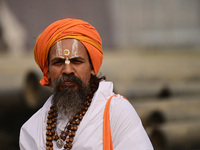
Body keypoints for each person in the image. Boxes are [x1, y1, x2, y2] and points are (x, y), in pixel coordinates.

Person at [19, 18, 153, 150]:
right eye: (58, 63)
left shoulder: (116, 112)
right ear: (47, 71)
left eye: (77, 61)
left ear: (93, 68)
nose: (67, 70)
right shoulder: (32, 130)